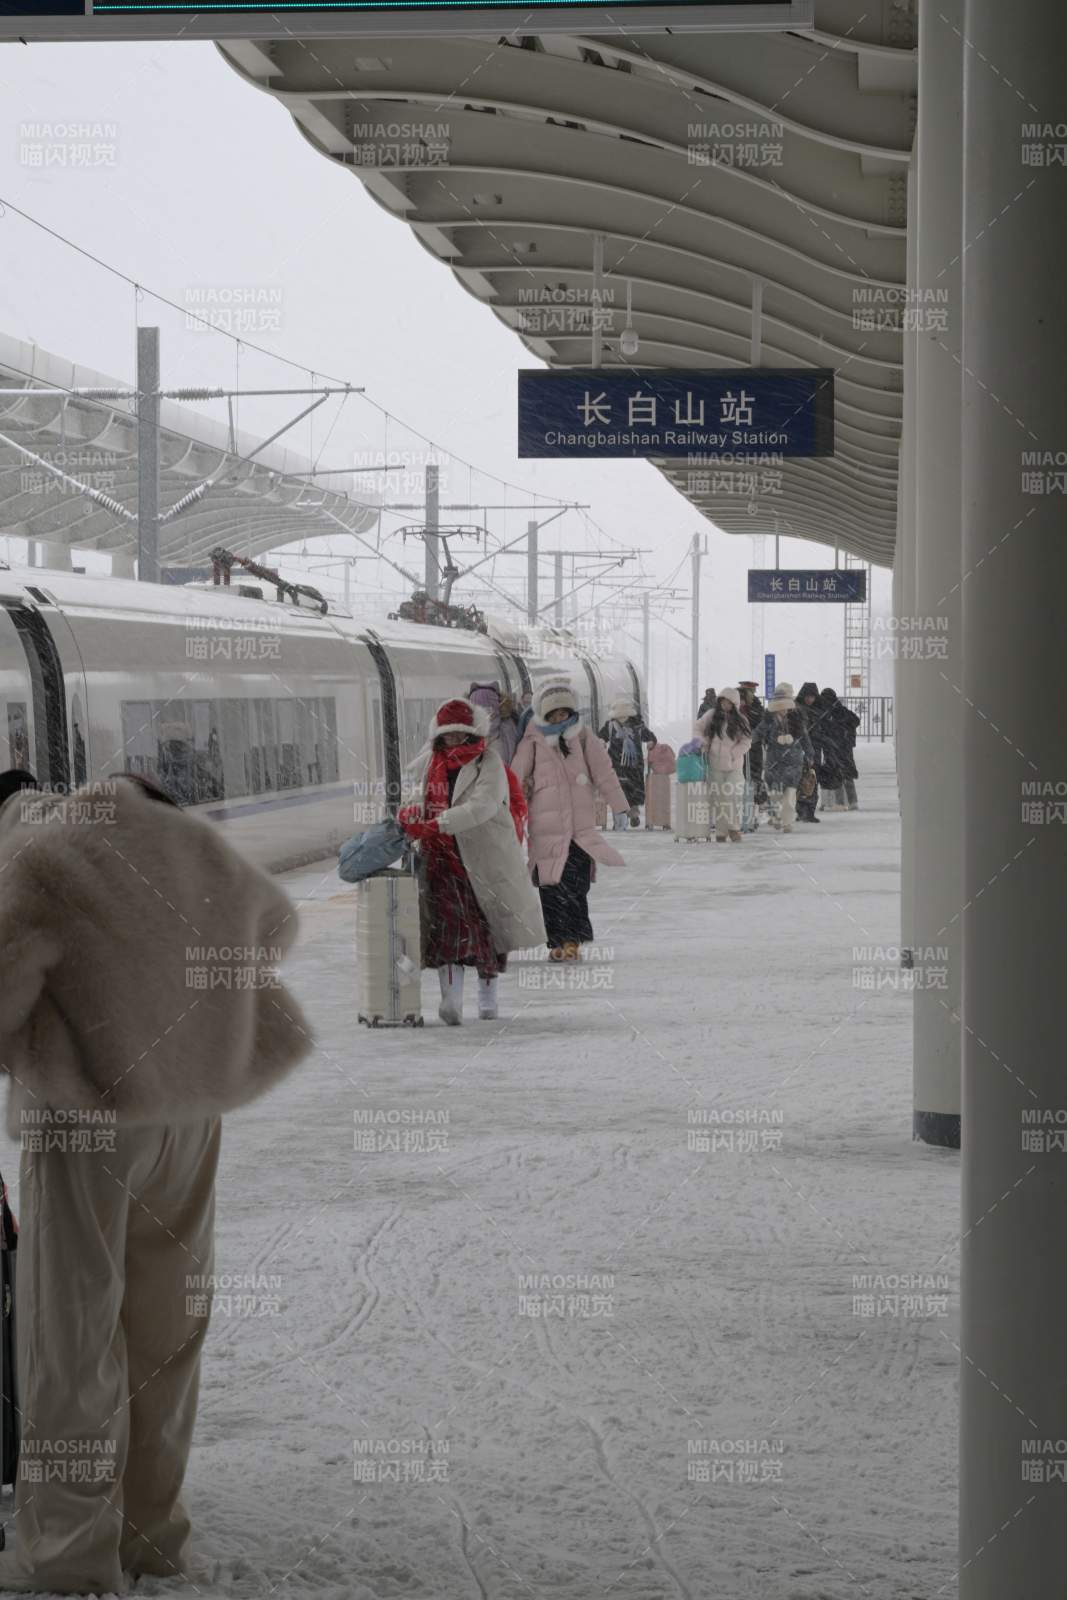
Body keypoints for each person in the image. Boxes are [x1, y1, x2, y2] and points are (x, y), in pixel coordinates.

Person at [0, 773, 312, 1595]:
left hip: (86, 1122)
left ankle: (66, 1558)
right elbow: (273, 922)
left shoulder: (33, 862)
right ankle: (152, 1533)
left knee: (72, 1337)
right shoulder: (175, 839)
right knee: (166, 1326)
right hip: (188, 1116)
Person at [399, 698, 544, 1023]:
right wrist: (410, 813)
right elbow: (413, 798)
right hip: (440, 860)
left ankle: (487, 997)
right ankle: (450, 1001)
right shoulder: (427, 764)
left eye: (459, 734)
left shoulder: (488, 763)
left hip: (482, 862)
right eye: (447, 735)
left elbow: (485, 805)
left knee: (486, 935)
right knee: (448, 932)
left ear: (471, 734)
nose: (452, 740)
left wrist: (437, 823)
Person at [511, 681, 629, 960]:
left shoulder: (584, 737)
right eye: (552, 714)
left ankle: (573, 939)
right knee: (550, 886)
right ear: (543, 714)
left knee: (575, 885)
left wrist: (620, 805)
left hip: (579, 828)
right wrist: (513, 800)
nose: (558, 719)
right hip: (545, 828)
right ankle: (556, 942)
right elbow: (514, 777)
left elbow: (604, 772)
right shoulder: (532, 740)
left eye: (563, 713)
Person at [753, 682, 814, 834]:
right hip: (774, 762)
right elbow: (758, 733)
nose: (783, 709)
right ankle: (775, 816)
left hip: (793, 761)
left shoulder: (797, 719)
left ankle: (787, 822)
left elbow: (805, 738)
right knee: (774, 794)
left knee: (790, 795)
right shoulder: (768, 719)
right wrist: (746, 742)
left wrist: (810, 754)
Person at [696, 688, 752, 843]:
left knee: (731, 795)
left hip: (734, 767)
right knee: (719, 799)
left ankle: (734, 828)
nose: (725, 705)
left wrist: (734, 754)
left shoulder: (741, 720)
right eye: (723, 701)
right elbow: (697, 729)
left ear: (735, 704)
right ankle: (721, 832)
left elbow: (747, 742)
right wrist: (703, 742)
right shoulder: (711, 716)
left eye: (729, 702)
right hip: (714, 765)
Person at [598, 697, 656, 828]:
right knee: (619, 791)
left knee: (631, 792)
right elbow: (601, 736)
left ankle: (631, 815)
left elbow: (651, 737)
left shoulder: (638, 726)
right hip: (617, 765)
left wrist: (651, 742)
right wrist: (601, 741)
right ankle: (621, 819)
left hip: (632, 766)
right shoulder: (611, 725)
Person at [794, 682, 830, 822]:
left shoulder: (820, 711)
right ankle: (800, 810)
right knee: (800, 780)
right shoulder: (797, 709)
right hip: (800, 749)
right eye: (807, 697)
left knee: (812, 780)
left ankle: (809, 812)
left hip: (815, 749)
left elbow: (824, 730)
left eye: (812, 697)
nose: (810, 700)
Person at [821, 687, 861, 808]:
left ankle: (839, 803)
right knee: (843, 774)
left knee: (837, 774)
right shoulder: (838, 710)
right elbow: (855, 720)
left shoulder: (830, 712)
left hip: (836, 747)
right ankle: (851, 802)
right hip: (841, 747)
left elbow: (854, 721)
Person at [468, 681, 520, 767]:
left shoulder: (508, 731)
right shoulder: (466, 734)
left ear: (497, 710)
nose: (483, 716)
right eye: (477, 712)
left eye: (488, 710)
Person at [737, 683, 764, 832]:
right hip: (739, 749)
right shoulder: (734, 710)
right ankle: (742, 817)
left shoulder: (757, 709)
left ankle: (753, 817)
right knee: (740, 784)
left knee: (754, 781)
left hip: (754, 750)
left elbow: (760, 725)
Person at [644, 738, 676, 830]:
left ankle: (651, 822)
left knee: (653, 802)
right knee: (665, 801)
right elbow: (673, 757)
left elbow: (650, 764)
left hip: (655, 779)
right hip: (665, 778)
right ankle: (665, 822)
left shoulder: (653, 752)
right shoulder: (665, 748)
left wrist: (649, 775)